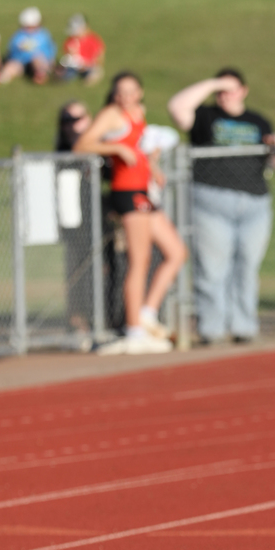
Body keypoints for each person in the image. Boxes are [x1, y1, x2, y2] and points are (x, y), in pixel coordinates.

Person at [168, 69, 275, 344]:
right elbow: (177, 106)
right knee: (212, 267)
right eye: (220, 90)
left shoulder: (258, 120)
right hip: (212, 200)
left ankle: (244, 326)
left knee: (247, 266)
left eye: (231, 88)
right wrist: (212, 83)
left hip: (254, 201)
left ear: (244, 90)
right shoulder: (205, 116)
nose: (226, 94)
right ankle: (212, 328)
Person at [75, 71, 188, 354]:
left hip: (144, 189)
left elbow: (141, 147)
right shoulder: (112, 115)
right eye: (120, 92)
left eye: (131, 91)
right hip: (126, 191)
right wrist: (115, 148)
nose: (125, 97)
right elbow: (82, 145)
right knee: (140, 260)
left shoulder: (140, 112)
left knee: (176, 252)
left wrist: (153, 167)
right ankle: (134, 329)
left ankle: (148, 312)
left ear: (140, 93)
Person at [55, 101, 95, 334]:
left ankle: (102, 318)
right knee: (76, 268)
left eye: (78, 119)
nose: (72, 126)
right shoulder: (61, 153)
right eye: (67, 121)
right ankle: (78, 319)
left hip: (101, 216)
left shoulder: (99, 145)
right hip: (74, 222)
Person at [0, 7, 55, 85]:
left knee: (37, 59)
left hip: (38, 62)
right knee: (10, 67)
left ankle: (40, 76)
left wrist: (49, 63)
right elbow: (11, 52)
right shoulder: (19, 35)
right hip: (21, 62)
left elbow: (50, 51)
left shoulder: (43, 35)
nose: (29, 29)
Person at [57, 14, 105, 85]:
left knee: (96, 72)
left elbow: (99, 58)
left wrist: (88, 64)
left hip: (88, 66)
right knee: (63, 73)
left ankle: (87, 82)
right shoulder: (70, 40)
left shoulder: (94, 40)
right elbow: (67, 56)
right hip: (73, 66)